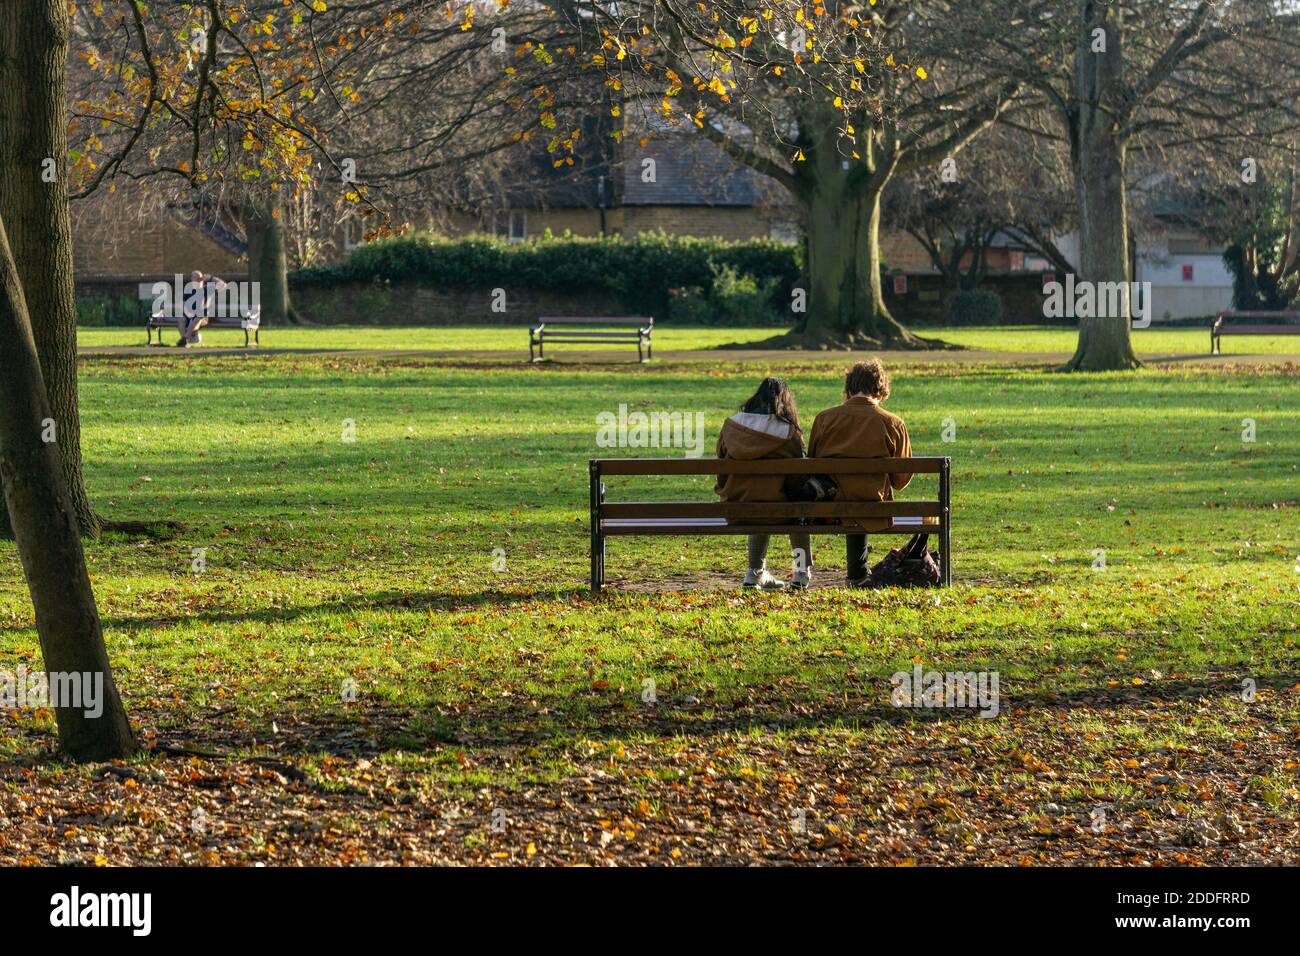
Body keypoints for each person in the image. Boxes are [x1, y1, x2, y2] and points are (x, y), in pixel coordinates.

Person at [808, 359, 912, 586]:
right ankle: (857, 575)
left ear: (849, 387)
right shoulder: (893, 423)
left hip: (830, 509)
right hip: (874, 509)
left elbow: (812, 466)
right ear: (881, 389)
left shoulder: (824, 419)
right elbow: (900, 480)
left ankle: (856, 575)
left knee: (848, 492)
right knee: (862, 494)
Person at [715, 377, 813, 590]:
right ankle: (801, 571)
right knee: (798, 508)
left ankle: (754, 572)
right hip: (780, 511)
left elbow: (721, 472)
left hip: (738, 507)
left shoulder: (731, 426)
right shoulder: (788, 432)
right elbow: (797, 480)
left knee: (758, 496)